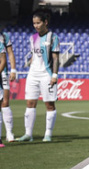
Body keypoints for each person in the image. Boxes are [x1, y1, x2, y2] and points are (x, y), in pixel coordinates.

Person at [17, 9, 59, 143]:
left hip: (47, 75)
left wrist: (55, 75)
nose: (36, 26)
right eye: (34, 23)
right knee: (30, 103)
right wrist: (29, 63)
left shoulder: (53, 37)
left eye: (38, 23)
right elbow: (35, 55)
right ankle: (28, 134)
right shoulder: (32, 38)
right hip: (33, 74)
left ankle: (48, 134)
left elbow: (56, 58)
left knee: (49, 104)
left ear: (45, 22)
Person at [1, 27, 16, 144]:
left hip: (3, 73)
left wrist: (13, 70)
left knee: (5, 102)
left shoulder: (4, 36)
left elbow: (10, 53)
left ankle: (9, 132)